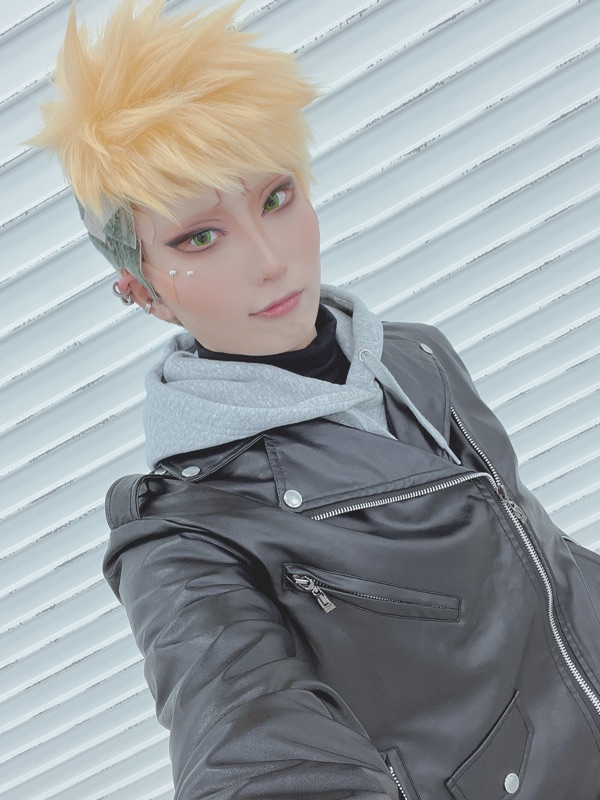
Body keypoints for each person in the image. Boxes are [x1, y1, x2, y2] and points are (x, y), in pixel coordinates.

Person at [32, 1, 600, 798]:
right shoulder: (186, 535)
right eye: (200, 237)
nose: (270, 259)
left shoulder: (415, 351)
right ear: (142, 292)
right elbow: (242, 730)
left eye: (275, 198)